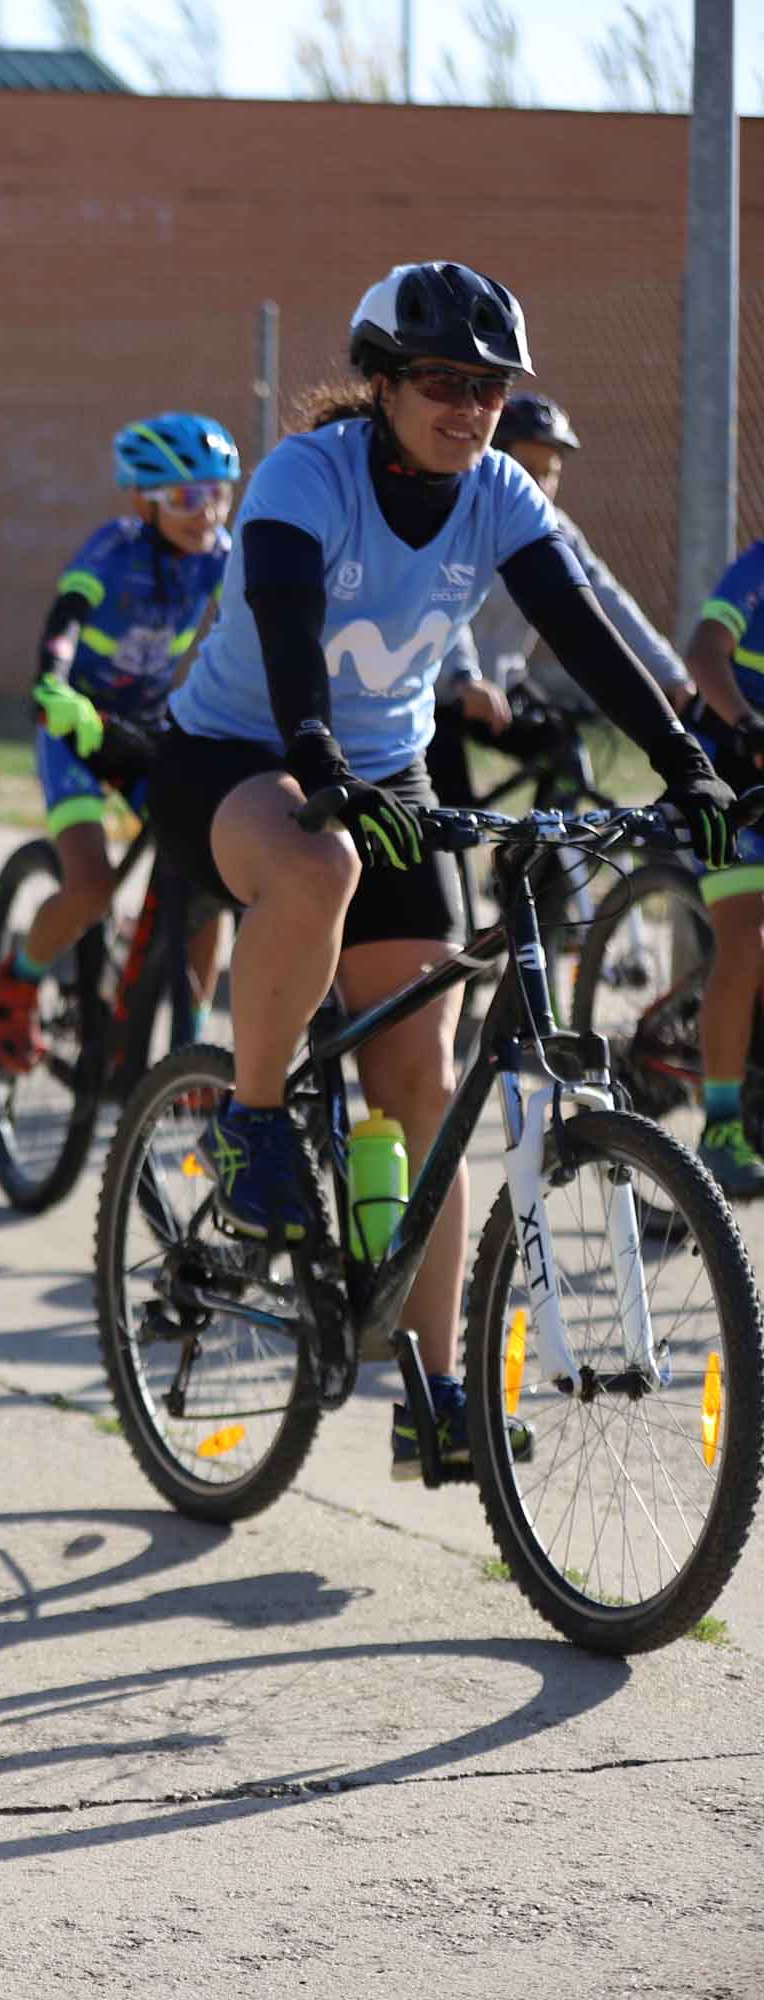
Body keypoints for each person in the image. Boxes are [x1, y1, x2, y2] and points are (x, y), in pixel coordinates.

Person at [154, 260, 730, 1482]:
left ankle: (442, 1392)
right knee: (314, 868)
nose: (470, 406)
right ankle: (255, 1123)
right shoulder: (306, 475)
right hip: (241, 754)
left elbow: (581, 626)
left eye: (490, 386)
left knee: (421, 1083)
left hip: (388, 770)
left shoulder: (500, 492)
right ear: (382, 384)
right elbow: (283, 623)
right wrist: (313, 754)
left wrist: (688, 762)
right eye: (443, 383)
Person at [0, 412, 239, 1071]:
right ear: (144, 500)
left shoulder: (221, 558)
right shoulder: (116, 548)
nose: (205, 512)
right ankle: (20, 975)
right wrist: (54, 683)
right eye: (186, 497)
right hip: (76, 724)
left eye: (218, 493)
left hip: (145, 729)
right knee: (92, 886)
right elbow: (66, 617)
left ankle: (195, 1046)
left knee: (212, 877)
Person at [427, 392, 687, 808]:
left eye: (551, 473)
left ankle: (533, 863)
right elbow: (441, 603)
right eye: (527, 470)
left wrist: (671, 675)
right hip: (439, 692)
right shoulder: (457, 517)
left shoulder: (554, 531)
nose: (541, 487)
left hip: (503, 688)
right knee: (451, 813)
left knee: (568, 756)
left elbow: (608, 598)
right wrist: (464, 679)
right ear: (493, 463)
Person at [674, 538, 764, 1197]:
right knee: (747, 937)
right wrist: (745, 723)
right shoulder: (757, 568)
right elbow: (704, 653)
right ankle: (722, 1126)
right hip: (730, 763)